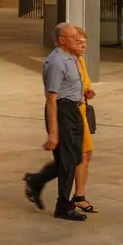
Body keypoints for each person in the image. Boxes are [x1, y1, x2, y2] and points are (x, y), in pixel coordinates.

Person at [23, 22, 88, 221]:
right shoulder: (57, 62)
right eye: (73, 36)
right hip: (62, 111)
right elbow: (51, 99)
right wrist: (53, 133)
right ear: (62, 40)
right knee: (68, 162)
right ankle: (63, 206)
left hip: (74, 110)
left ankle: (36, 180)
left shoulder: (72, 58)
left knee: (74, 158)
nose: (78, 38)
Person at [71, 29, 98, 215]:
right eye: (79, 42)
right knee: (79, 156)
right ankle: (78, 196)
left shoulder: (80, 61)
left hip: (82, 110)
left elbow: (84, 85)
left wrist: (88, 92)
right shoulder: (66, 62)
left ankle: (79, 195)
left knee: (85, 154)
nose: (83, 46)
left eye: (85, 43)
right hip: (72, 113)